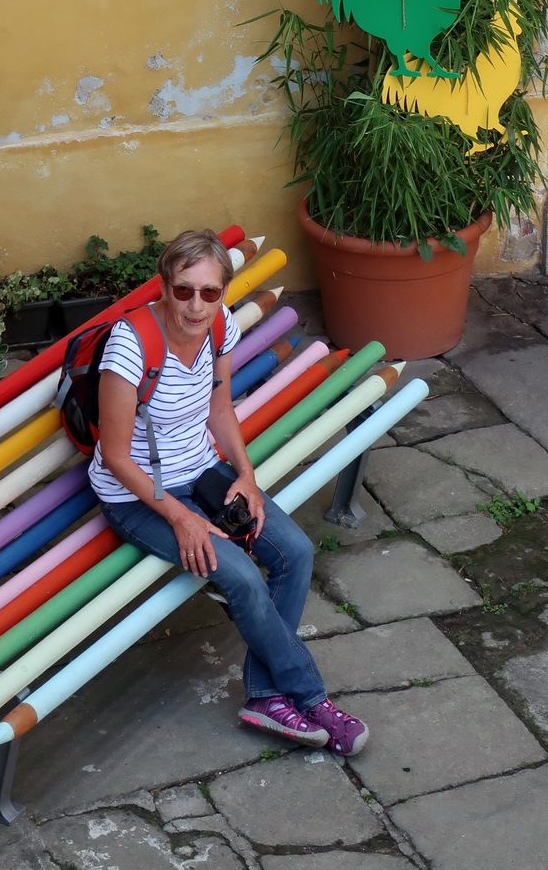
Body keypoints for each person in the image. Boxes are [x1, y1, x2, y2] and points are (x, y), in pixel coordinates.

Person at [90, 228, 368, 755]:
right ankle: (311, 697)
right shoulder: (130, 345)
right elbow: (117, 457)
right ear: (165, 286)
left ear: (223, 293)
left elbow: (219, 410)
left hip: (201, 470)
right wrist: (183, 519)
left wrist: (246, 476)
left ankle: (264, 696)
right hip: (137, 495)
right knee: (241, 577)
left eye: (210, 292)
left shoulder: (218, 328)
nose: (196, 305)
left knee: (296, 551)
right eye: (184, 290)